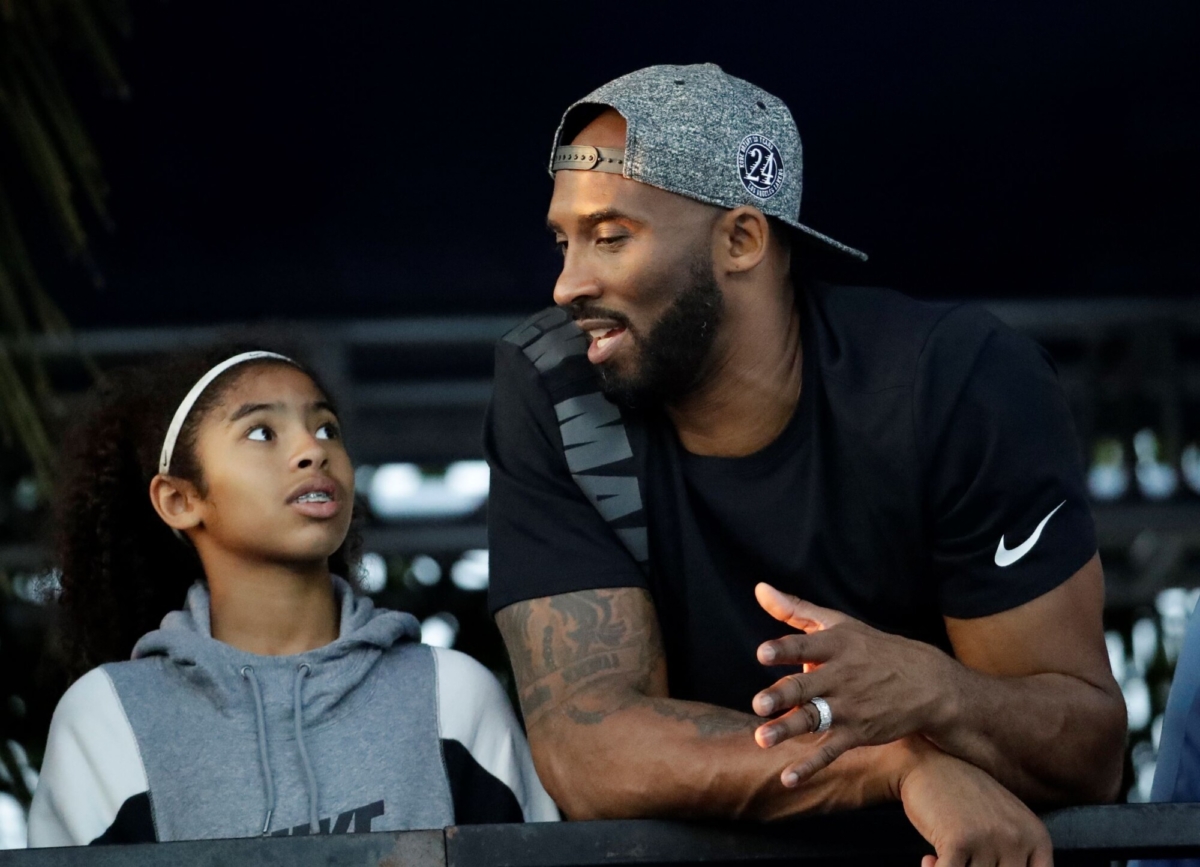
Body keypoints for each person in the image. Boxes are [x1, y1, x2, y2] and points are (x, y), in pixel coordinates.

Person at [484, 63, 1126, 865]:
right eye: (564, 240)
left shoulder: (954, 382)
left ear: (742, 240)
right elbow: (589, 746)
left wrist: (936, 690)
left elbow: (1089, 750)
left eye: (610, 236)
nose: (567, 283)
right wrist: (893, 761)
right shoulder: (555, 385)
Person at [29, 348, 557, 847]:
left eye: (327, 429)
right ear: (180, 499)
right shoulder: (108, 718)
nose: (313, 451)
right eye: (262, 432)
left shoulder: (453, 696)